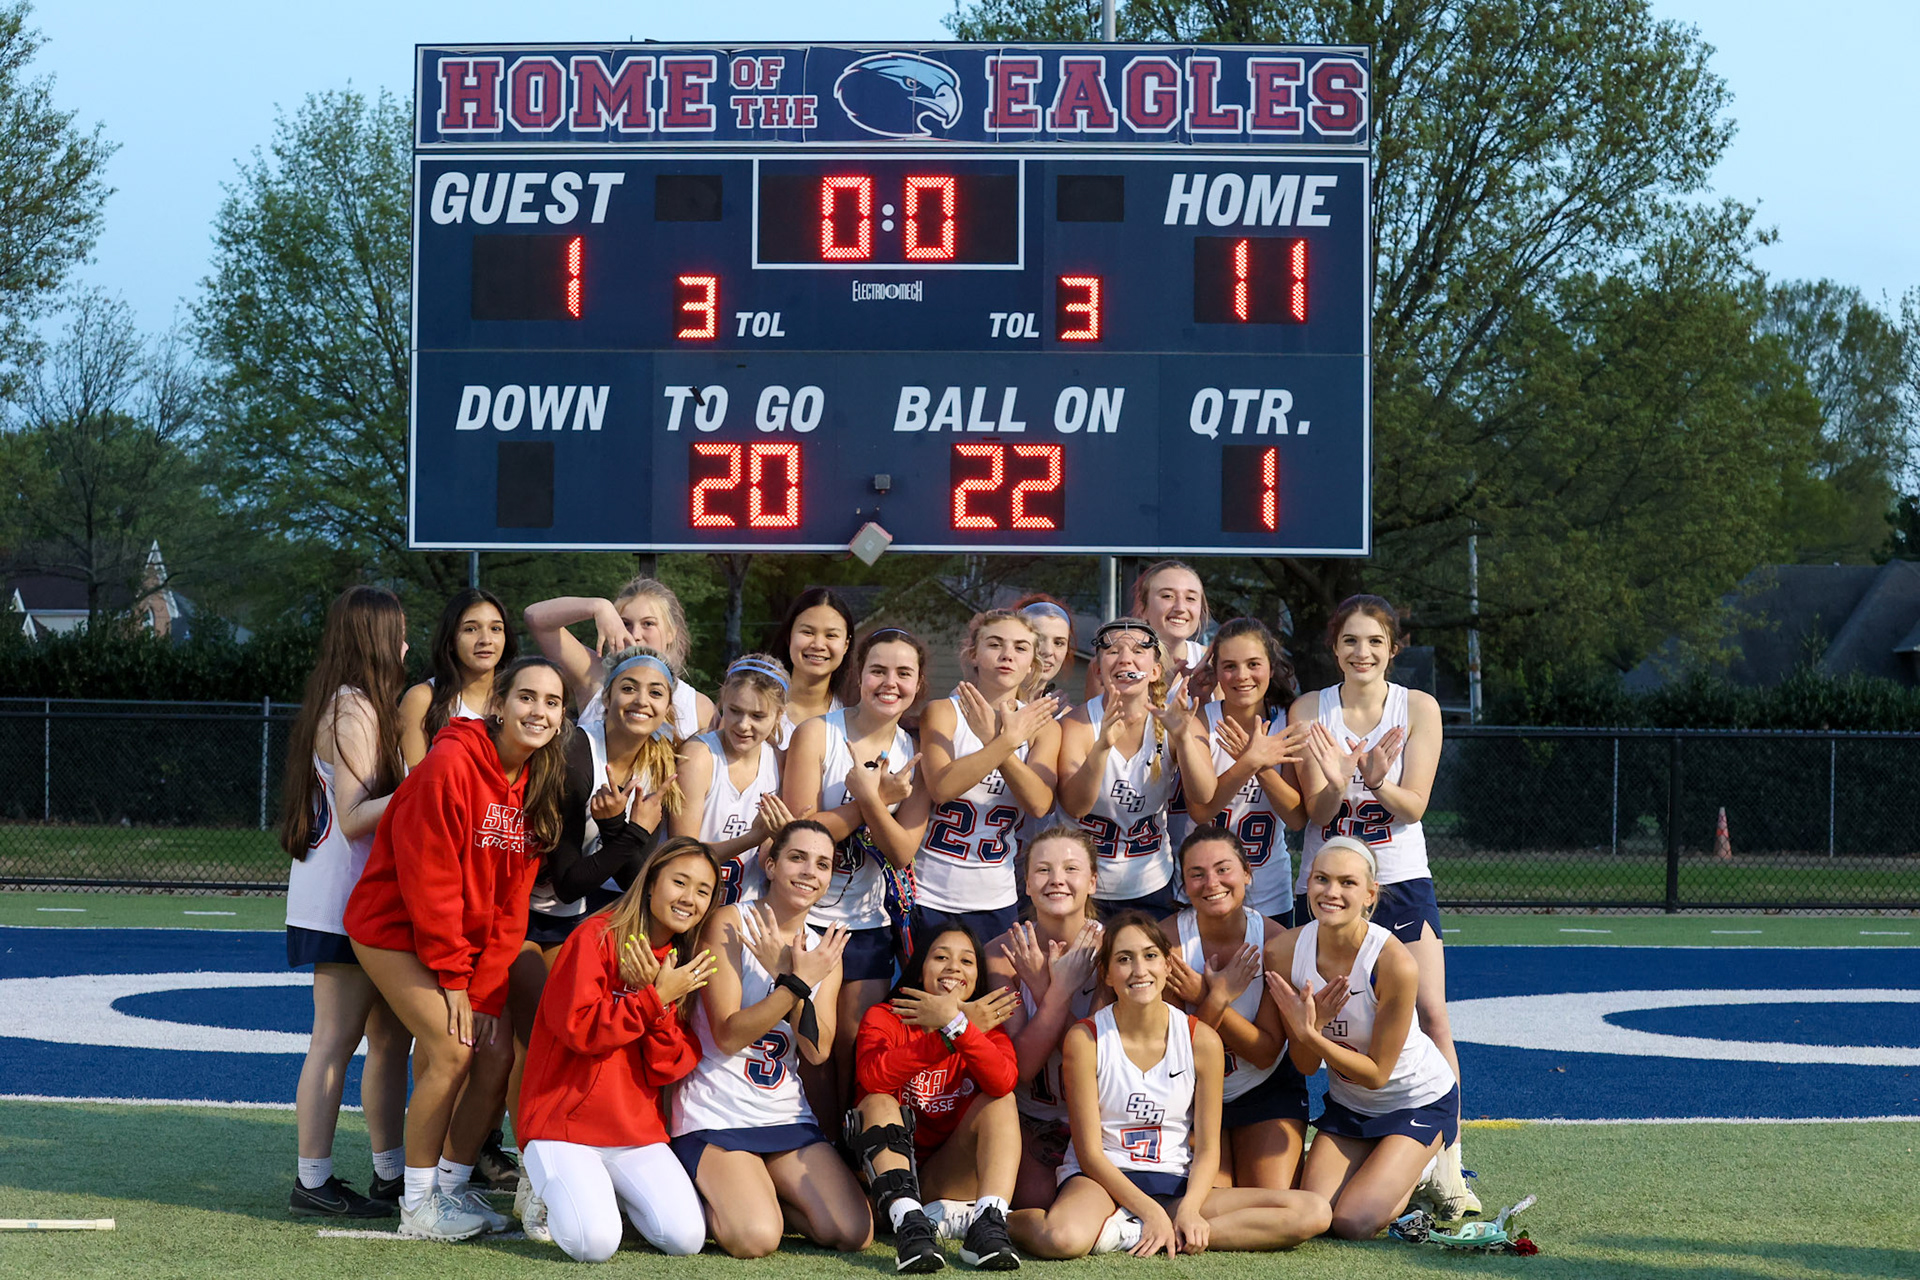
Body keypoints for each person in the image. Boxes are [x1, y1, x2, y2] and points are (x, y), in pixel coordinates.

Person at [343, 656, 573, 1241]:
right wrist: (453, 979)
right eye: (527, 697)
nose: (538, 711)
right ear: (499, 704)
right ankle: (418, 1204)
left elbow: (512, 904)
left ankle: (450, 1186)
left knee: (494, 1051)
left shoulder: (538, 781)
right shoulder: (450, 763)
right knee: (451, 1049)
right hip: (393, 928)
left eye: (552, 702)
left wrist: (486, 988)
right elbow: (431, 883)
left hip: (457, 942)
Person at [1288, 593, 1472, 1213]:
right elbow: (1314, 813)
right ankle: (1339, 1136)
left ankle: (1449, 1164)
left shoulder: (1417, 706)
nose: (1361, 652)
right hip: (1331, 884)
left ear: (1393, 649)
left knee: (1431, 1011)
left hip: (1399, 878)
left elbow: (1414, 806)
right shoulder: (1310, 708)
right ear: (1333, 647)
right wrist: (1339, 777)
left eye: (1374, 641)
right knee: (1328, 1012)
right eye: (1350, 640)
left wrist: (1374, 779)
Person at [1005, 914, 1329, 1259]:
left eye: (1150, 956)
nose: (1139, 970)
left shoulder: (1201, 1039)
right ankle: (995, 1220)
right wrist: (1150, 1210)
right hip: (1103, 1180)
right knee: (1062, 1239)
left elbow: (1207, 1151)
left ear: (1166, 965)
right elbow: (1089, 1154)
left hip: (1174, 1179)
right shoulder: (1086, 1038)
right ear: (1107, 974)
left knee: (1313, 1212)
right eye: (1124, 959)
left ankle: (1139, 1233)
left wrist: (1188, 1209)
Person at [509, 646, 680, 1238]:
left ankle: (559, 1163)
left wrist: (617, 832)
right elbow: (564, 876)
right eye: (628, 688)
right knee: (529, 1040)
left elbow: (634, 879)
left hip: (572, 918)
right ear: (606, 697)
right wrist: (625, 834)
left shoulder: (657, 767)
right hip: (518, 912)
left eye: (655, 692)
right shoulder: (575, 752)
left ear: (669, 707)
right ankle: (529, 1172)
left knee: (564, 1040)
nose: (641, 701)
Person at [670, 821, 873, 1258]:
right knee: (756, 1238)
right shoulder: (730, 922)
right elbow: (727, 1035)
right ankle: (685, 1194)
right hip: (717, 1111)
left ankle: (760, 1195)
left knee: (854, 1231)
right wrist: (793, 984)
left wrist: (788, 976)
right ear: (771, 865)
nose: (809, 871)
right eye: (797, 858)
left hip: (783, 1112)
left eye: (822, 864)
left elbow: (817, 1051)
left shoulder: (823, 951)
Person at [517, 838, 722, 1262]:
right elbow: (580, 1032)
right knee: (595, 1245)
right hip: (564, 1126)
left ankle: (603, 1194)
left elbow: (669, 1066)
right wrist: (652, 998)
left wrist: (660, 1005)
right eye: (679, 882)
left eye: (703, 891)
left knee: (685, 1238)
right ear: (650, 883)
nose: (689, 898)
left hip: (634, 1132)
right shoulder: (595, 936)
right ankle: (550, 1188)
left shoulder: (686, 962)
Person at [280, 586, 413, 1218]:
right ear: (376, 639)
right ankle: (312, 1179)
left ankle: (391, 1173)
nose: (408, 644)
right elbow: (357, 816)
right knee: (335, 1038)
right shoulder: (352, 709)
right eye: (399, 633)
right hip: (341, 901)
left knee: (389, 1040)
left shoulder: (366, 705)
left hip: (369, 898)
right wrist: (430, 782)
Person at [1265, 838, 1460, 1239]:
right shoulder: (1283, 952)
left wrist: (1311, 1031)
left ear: (1371, 894)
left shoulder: (1393, 962)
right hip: (1349, 1105)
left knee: (1353, 1222)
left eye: (1347, 883)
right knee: (1315, 1210)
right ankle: (1387, 1160)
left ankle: (1425, 1167)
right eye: (1321, 879)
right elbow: (1305, 1065)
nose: (1331, 892)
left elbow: (1377, 1074)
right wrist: (1311, 1032)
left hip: (1414, 1099)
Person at [781, 627, 932, 1123]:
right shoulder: (817, 734)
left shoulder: (916, 751)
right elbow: (798, 833)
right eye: (878, 671)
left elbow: (902, 851)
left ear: (918, 684)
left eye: (903, 673)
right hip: (806, 914)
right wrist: (874, 799)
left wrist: (869, 799)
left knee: (856, 1043)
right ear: (859, 675)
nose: (890, 683)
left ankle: (854, 1144)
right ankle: (816, 1139)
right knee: (812, 1044)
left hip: (867, 921)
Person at [850, 926, 1024, 1271]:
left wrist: (961, 1028)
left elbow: (1004, 1081)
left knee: (1001, 1100)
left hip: (945, 1174)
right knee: (878, 1100)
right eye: (941, 956)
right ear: (919, 969)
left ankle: (988, 1223)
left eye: (967, 961)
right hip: (885, 1179)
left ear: (977, 978)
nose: (954, 967)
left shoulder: (986, 1027)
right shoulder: (885, 1016)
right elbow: (873, 1077)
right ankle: (910, 1226)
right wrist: (949, 1034)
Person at [1161, 827, 1309, 1191]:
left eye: (1223, 869)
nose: (1211, 883)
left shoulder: (1276, 942)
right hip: (1190, 1094)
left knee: (1271, 1199)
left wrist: (1206, 997)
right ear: (1184, 885)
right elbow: (1176, 1055)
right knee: (1209, 1200)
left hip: (1264, 1086)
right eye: (1197, 874)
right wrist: (1217, 997)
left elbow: (1265, 1051)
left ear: (1247, 873)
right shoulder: (1165, 945)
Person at [914, 611, 1061, 949]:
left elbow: (1040, 803)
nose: (1007, 654)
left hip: (995, 895)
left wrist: (996, 743)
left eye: (1020, 648)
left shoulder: (1043, 726)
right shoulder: (943, 712)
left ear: (1032, 665)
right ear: (974, 655)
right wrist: (1005, 742)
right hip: (929, 891)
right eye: (995, 644)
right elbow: (942, 788)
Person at [1057, 618, 1214, 918]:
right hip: (1083, 887)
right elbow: (1075, 806)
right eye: (1113, 651)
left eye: (1138, 651)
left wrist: (1183, 739)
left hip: (1151, 884)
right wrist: (1102, 747)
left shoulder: (1176, 720)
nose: (1125, 658)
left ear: (1155, 671)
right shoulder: (1076, 725)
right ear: (1099, 670)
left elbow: (1204, 796)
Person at [984, 828, 1104, 1213]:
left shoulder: (1115, 950)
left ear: (1092, 882)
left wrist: (1043, 987)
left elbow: (1100, 1063)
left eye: (1071, 868)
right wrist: (1054, 990)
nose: (1057, 879)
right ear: (1026, 885)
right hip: (1029, 1113)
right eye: (1043, 870)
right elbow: (1020, 1068)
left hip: (1100, 1116)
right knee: (1034, 1201)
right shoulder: (1000, 953)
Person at [1172, 618, 1307, 923]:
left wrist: (1258, 765)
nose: (1242, 676)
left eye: (1253, 664)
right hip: (1203, 888)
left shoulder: (1289, 720)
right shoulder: (1199, 720)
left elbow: (1296, 818)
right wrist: (1249, 762)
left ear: (1271, 667)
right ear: (1216, 671)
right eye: (1230, 666)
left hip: (1269, 891)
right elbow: (1201, 811)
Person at [673, 653, 795, 906]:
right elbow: (682, 853)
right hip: (689, 906)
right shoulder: (699, 757)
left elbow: (766, 859)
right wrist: (752, 838)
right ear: (723, 701)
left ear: (779, 714)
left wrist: (784, 837)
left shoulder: (780, 763)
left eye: (758, 716)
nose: (743, 725)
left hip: (744, 913)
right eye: (735, 711)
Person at [524, 576, 714, 737]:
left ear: (672, 633)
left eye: (648, 624)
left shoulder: (698, 706)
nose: (635, 634)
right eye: (625, 623)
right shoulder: (594, 676)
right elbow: (535, 619)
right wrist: (598, 606)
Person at [400, 587, 517, 768]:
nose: (486, 640)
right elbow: (412, 780)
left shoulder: (517, 699)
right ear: (450, 640)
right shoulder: (422, 699)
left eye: (495, 628)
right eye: (471, 629)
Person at [765, 586, 855, 746]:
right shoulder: (755, 706)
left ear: (846, 645)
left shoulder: (854, 715)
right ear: (789, 636)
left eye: (831, 635)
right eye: (808, 632)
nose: (818, 645)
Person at [1010, 595, 1075, 702]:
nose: (1048, 651)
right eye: (1038, 639)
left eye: (1058, 643)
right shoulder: (986, 707)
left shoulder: (1068, 712)